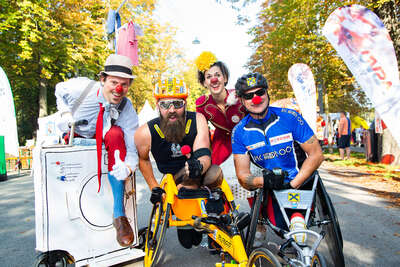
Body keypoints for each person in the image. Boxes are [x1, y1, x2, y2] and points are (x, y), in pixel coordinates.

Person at [55, 54, 139, 247]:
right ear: (103, 79)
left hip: (104, 139)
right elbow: (59, 89)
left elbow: (131, 143)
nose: (119, 89)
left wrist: (128, 166)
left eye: (124, 85)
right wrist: (65, 113)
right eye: (114, 82)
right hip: (77, 138)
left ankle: (119, 215)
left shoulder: (126, 106)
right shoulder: (81, 88)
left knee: (116, 133)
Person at [231, 73, 324, 245]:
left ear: (267, 93)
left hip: (300, 180)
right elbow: (243, 175)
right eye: (248, 96)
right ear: (242, 101)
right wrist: (263, 181)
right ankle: (260, 222)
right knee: (280, 225)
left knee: (295, 224)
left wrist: (293, 183)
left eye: (260, 92)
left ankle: (297, 220)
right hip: (270, 186)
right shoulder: (239, 132)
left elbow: (317, 154)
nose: (256, 99)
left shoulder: (290, 117)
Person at [134, 77, 224, 250]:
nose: (172, 110)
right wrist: (154, 187)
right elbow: (143, 160)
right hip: (174, 179)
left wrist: (199, 165)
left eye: (177, 103)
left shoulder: (197, 119)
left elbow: (204, 152)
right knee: (188, 242)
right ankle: (189, 220)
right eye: (165, 104)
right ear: (157, 105)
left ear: (185, 102)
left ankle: (217, 216)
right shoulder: (144, 132)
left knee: (215, 172)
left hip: (198, 170)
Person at [195, 51, 246, 165]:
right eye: (209, 77)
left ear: (225, 78)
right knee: (213, 174)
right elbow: (203, 132)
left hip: (246, 139)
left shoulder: (240, 95)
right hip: (222, 144)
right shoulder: (202, 104)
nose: (214, 80)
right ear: (204, 83)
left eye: (218, 75)